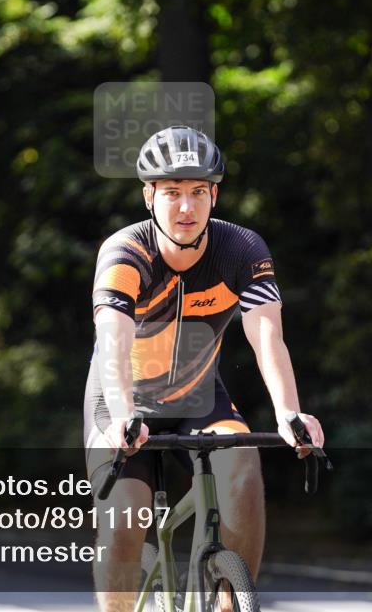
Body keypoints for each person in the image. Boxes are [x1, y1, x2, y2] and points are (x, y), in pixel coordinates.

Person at [84, 125, 326, 612]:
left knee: (242, 470)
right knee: (124, 523)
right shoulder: (125, 252)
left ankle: (227, 599)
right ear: (149, 195)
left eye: (198, 192)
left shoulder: (241, 250)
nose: (186, 208)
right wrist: (126, 413)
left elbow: (267, 337)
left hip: (199, 396)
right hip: (119, 400)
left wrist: (289, 413)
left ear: (215, 195)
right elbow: (112, 342)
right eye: (172, 193)